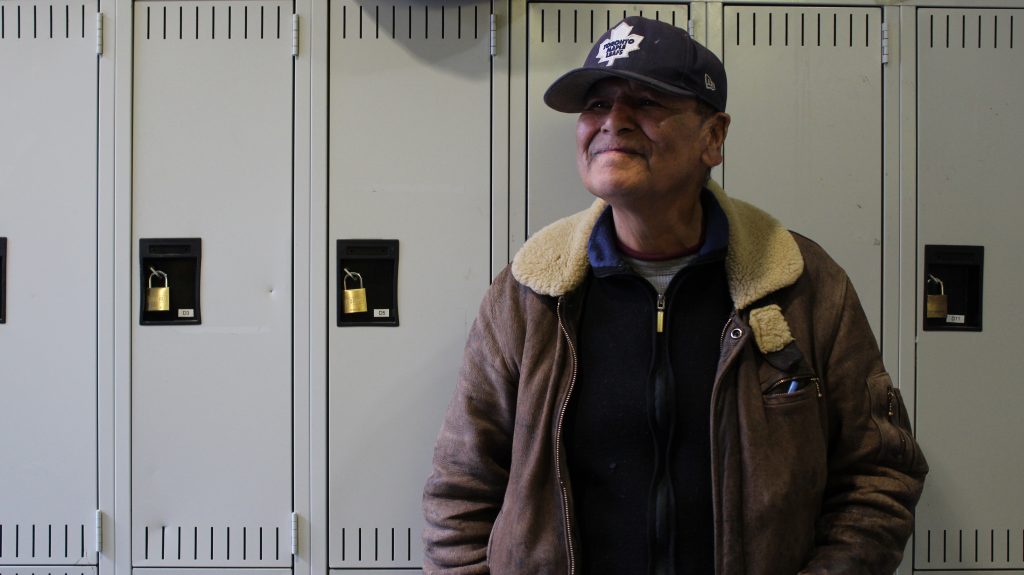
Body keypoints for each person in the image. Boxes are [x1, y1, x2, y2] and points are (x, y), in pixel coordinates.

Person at [422, 15, 927, 575]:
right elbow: (461, 489)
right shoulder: (529, 294)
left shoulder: (802, 283)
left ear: (713, 137)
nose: (613, 122)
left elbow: (879, 474)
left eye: (646, 102)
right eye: (596, 105)